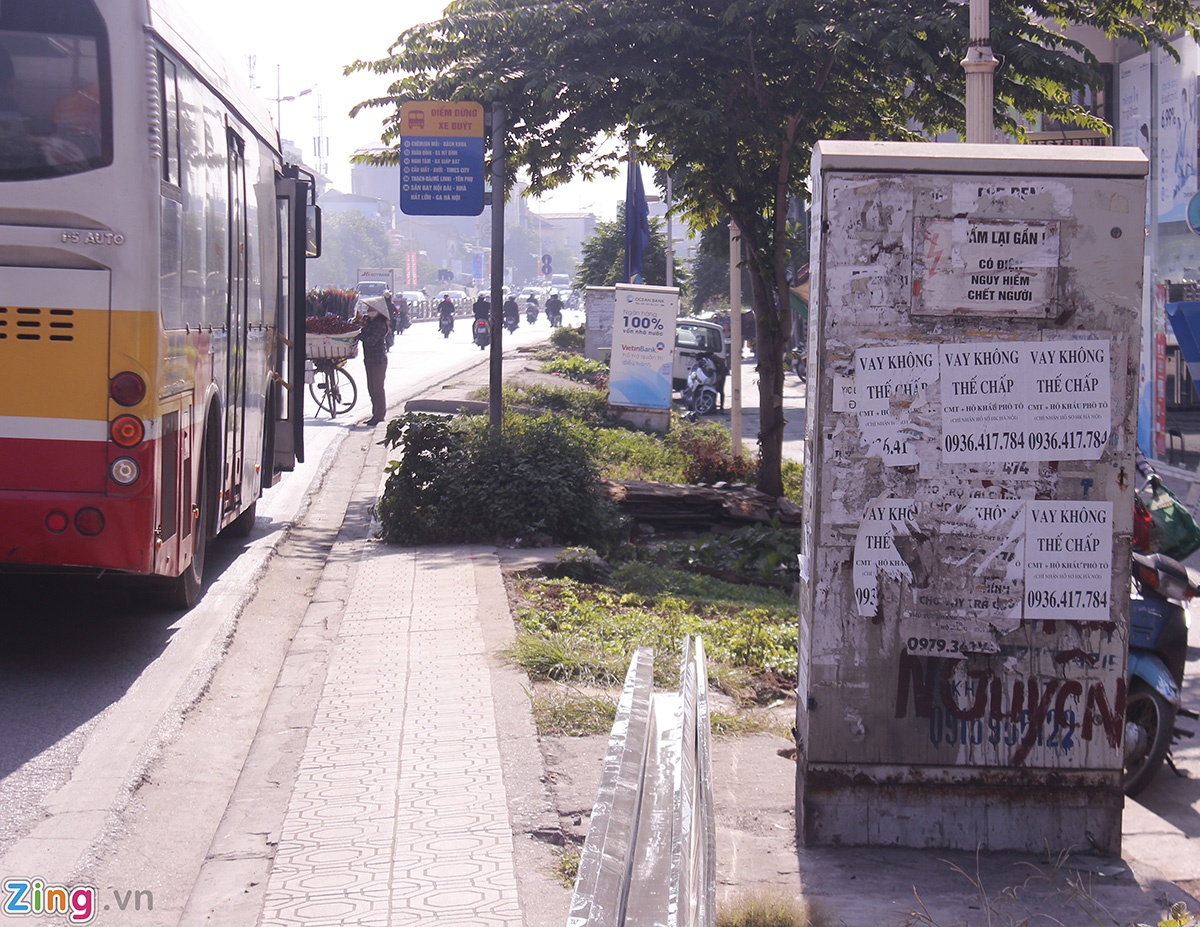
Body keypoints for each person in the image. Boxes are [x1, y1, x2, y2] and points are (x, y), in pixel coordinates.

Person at [357, 297, 391, 425]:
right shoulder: (370, 322)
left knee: (377, 388)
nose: (368, 311)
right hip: (369, 360)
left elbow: (371, 341)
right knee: (371, 388)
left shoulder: (380, 324)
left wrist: (359, 335)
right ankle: (374, 413)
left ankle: (379, 415)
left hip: (378, 360)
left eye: (371, 309)